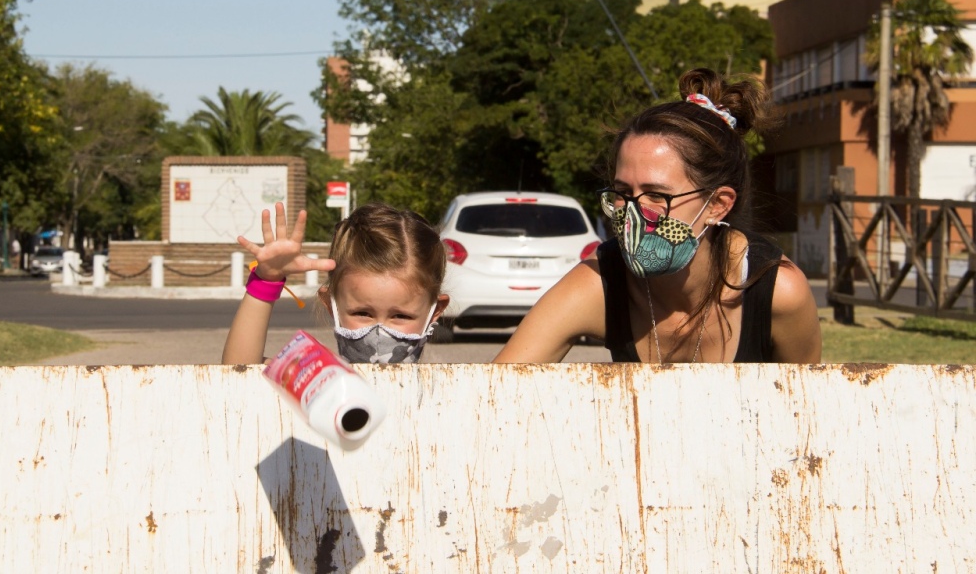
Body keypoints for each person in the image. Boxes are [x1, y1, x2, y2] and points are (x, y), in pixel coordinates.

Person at [494, 68, 822, 364]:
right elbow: (493, 393)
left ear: (717, 205)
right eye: (623, 192)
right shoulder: (600, 282)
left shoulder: (778, 292)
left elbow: (805, 416)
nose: (632, 213)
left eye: (656, 195)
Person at [221, 202, 450, 365]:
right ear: (332, 305)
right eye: (363, 313)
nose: (380, 332)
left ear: (435, 310)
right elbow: (238, 372)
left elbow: (489, 379)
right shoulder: (318, 385)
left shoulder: (455, 390)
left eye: (401, 316)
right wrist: (266, 281)